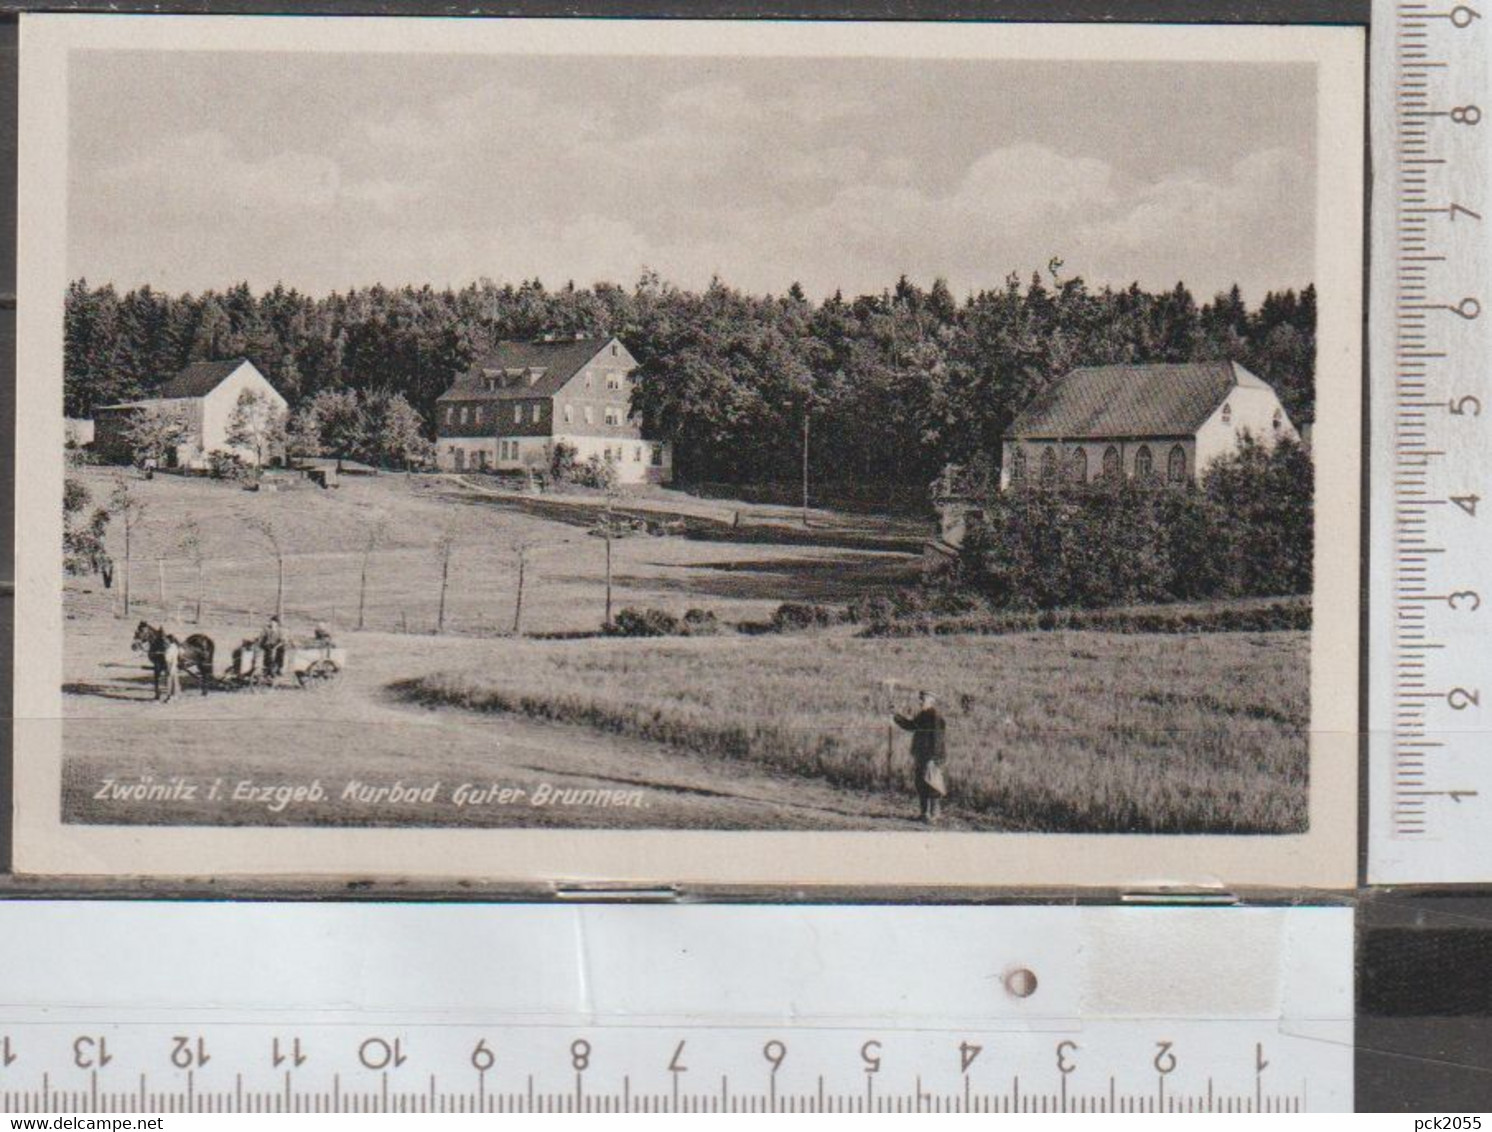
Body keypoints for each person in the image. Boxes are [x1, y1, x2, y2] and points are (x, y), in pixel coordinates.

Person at [893, 689, 949, 823]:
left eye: (923, 699)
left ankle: (933, 815)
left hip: (930, 757)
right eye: (920, 699)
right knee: (921, 784)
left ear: (931, 701)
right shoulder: (923, 716)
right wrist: (896, 715)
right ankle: (925, 814)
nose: (920, 701)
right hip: (922, 756)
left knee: (932, 784)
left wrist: (933, 759)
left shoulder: (935, 718)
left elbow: (937, 740)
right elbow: (911, 726)